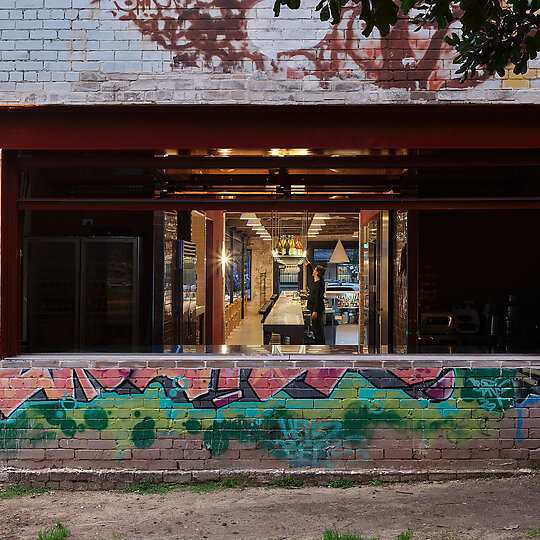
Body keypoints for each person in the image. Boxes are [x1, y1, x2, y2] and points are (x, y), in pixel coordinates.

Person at [307, 264, 326, 345]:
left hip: (317, 310)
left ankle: (320, 346)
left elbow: (318, 299)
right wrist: (308, 264)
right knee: (315, 329)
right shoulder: (316, 281)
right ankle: (318, 344)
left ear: (317, 273)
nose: (313, 271)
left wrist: (315, 311)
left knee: (318, 330)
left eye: (315, 270)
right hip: (314, 309)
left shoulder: (319, 284)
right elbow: (311, 271)